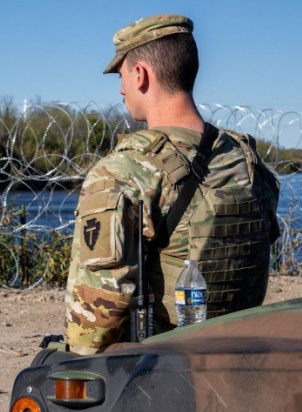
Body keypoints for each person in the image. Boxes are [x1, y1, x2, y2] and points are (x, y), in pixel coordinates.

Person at [64, 14, 280, 355]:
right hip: (244, 357)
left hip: (167, 370)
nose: (121, 89)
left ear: (141, 75)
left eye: (121, 77)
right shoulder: (246, 161)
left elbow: (91, 330)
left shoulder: (125, 171)